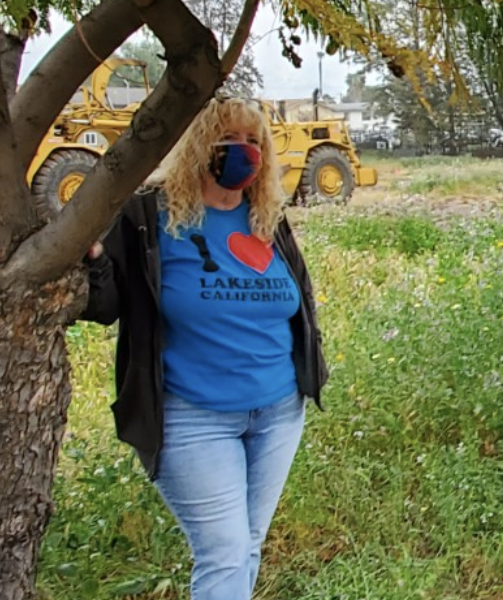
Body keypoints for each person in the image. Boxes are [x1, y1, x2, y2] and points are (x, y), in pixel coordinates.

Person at [81, 99, 327, 600]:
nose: (244, 151)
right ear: (198, 146)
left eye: (254, 142)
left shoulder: (267, 219)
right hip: (193, 416)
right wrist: (94, 259)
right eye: (229, 139)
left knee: (247, 546)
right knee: (226, 553)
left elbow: (297, 295)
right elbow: (105, 307)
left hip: (279, 411)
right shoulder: (149, 217)